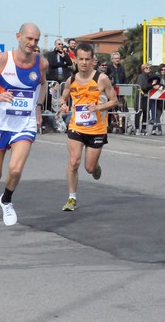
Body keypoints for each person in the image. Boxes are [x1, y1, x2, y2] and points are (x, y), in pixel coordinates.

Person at [0, 23, 48, 236]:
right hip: (0, 124)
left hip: (24, 124)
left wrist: (38, 107)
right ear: (18, 36)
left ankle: (6, 199)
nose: (32, 44)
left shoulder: (40, 63)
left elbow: (43, 84)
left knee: (15, 169)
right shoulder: (2, 60)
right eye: (29, 39)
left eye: (36, 40)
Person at [58, 43, 117, 211]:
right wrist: (63, 105)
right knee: (73, 162)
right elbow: (63, 97)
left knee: (89, 167)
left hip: (97, 129)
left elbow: (114, 100)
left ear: (93, 61)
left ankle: (96, 168)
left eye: (87, 59)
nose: (83, 62)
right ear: (75, 60)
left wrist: (98, 107)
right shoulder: (72, 80)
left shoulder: (101, 79)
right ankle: (71, 198)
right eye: (80, 59)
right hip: (76, 126)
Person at [134, 63, 152, 135]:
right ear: (143, 69)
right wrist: (151, 85)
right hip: (141, 97)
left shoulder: (149, 77)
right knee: (138, 112)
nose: (148, 69)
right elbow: (142, 87)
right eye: (146, 68)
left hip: (147, 97)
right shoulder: (141, 77)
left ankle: (144, 128)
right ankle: (137, 128)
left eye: (149, 68)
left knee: (145, 113)